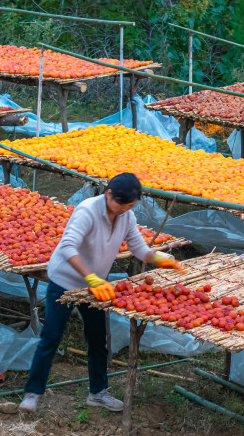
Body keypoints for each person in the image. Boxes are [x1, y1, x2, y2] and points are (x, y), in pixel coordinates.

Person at [19, 172, 183, 413]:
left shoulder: (126, 215)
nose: (125, 209)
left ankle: (97, 392)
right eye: (122, 204)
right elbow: (67, 247)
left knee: (97, 339)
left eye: (130, 206)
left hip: (96, 285)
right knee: (51, 337)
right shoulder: (87, 212)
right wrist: (91, 277)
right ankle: (32, 394)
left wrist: (158, 258)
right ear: (108, 194)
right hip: (65, 280)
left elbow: (138, 247)